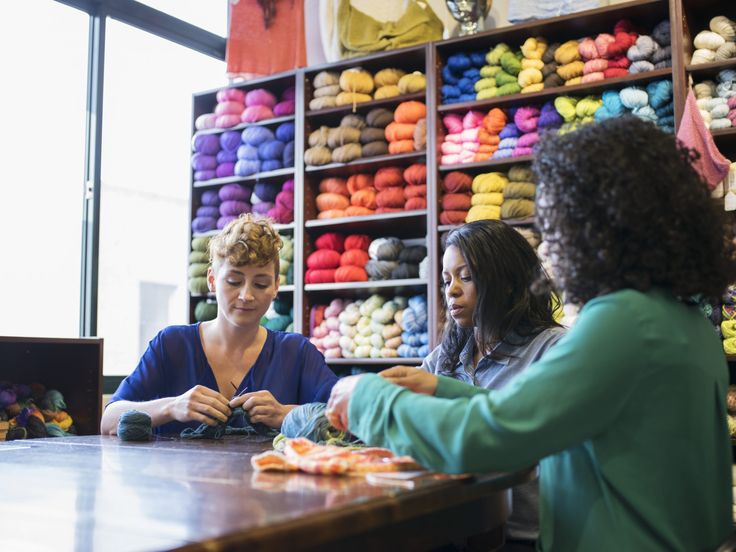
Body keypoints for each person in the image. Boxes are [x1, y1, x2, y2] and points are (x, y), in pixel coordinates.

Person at [326, 116, 735, 551]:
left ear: (598, 224)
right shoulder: (682, 321)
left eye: (559, 220)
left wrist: (369, 398)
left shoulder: (624, 322)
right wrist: (446, 390)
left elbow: (489, 439)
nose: (553, 241)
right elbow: (549, 414)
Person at [388, 219, 564, 549]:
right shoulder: (448, 356)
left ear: (509, 282)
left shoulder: (553, 350)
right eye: (446, 280)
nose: (452, 289)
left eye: (466, 277)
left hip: (522, 538)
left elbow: (518, 428)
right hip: (452, 530)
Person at [102, 214, 338, 436]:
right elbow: (109, 421)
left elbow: (347, 417)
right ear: (212, 280)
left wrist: (284, 414)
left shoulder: (295, 353)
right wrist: (173, 406)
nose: (246, 295)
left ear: (276, 286)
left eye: (261, 284)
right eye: (234, 281)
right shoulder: (171, 345)